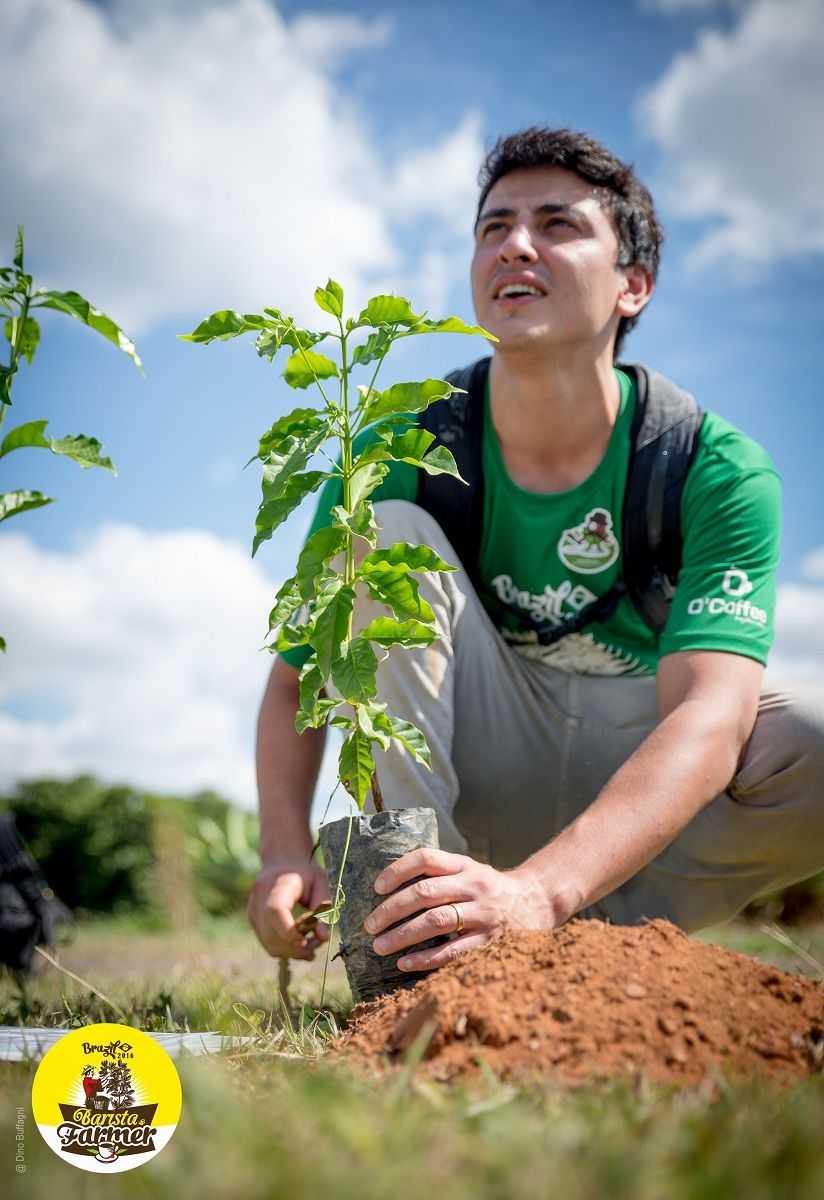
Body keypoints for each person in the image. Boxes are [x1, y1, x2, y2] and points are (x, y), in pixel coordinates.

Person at [248, 127, 824, 975]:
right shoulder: (391, 455)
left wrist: (542, 893)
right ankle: (426, 938)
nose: (516, 243)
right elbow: (299, 676)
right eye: (494, 227)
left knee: (811, 737)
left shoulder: (714, 468)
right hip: (470, 764)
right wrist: (281, 851)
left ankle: (571, 948)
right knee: (379, 538)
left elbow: (710, 718)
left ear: (635, 285)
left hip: (630, 785)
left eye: (558, 224)